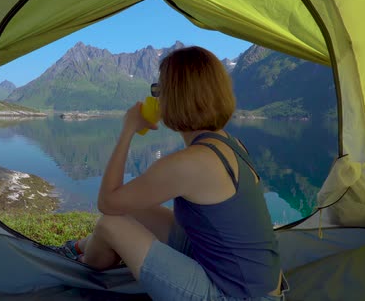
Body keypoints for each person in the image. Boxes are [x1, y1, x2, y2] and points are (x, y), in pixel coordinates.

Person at [55, 46, 287, 300]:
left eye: (158, 90)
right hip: (257, 286)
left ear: (174, 97)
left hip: (233, 296)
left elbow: (107, 203)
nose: (156, 97)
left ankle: (83, 263)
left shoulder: (189, 163)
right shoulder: (229, 144)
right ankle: (77, 247)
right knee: (130, 209)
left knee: (112, 222)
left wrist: (128, 130)